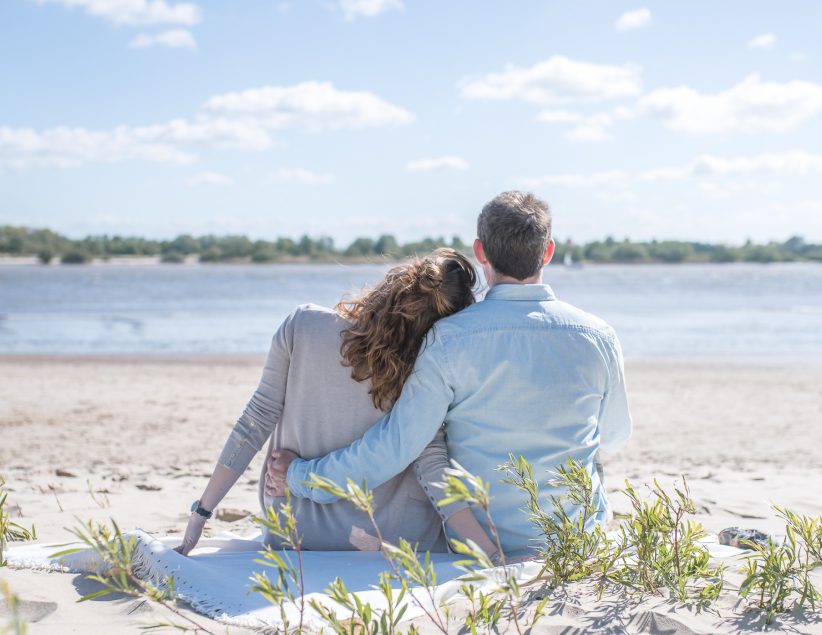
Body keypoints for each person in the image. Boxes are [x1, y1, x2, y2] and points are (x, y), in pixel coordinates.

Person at [265, 191, 632, 556]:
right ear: (548, 252)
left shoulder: (449, 338)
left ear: (480, 251)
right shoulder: (597, 335)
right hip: (577, 540)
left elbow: (395, 447)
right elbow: (614, 437)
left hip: (480, 543)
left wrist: (301, 476)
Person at [176, 248, 498, 558]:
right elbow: (432, 465)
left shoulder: (302, 326)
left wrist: (202, 511)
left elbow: (256, 421)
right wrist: (490, 552)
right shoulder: (427, 367)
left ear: (392, 286)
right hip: (392, 535)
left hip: (296, 530)